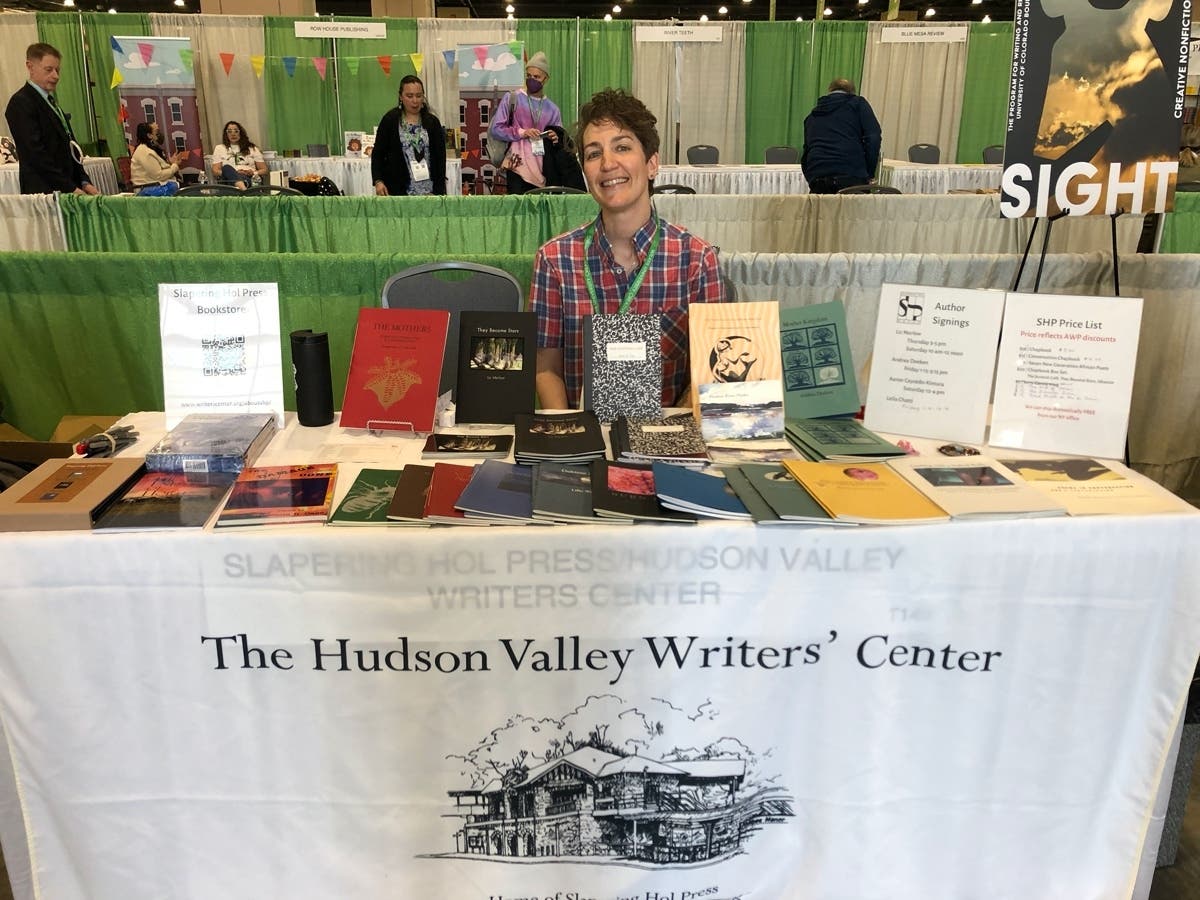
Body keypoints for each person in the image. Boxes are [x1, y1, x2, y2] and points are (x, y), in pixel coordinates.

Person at [530, 88, 726, 410]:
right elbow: (545, 368)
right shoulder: (554, 261)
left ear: (651, 164)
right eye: (594, 154)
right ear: (585, 172)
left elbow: (707, 375)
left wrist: (670, 433)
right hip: (584, 442)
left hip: (666, 444)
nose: (608, 163)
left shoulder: (697, 261)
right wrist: (570, 436)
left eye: (622, 147)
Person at [5, 43, 100, 195]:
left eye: (57, 70)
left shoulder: (51, 103)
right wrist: (70, 187)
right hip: (45, 193)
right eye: (49, 70)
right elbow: (36, 155)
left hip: (67, 188)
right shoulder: (21, 102)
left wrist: (84, 181)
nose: (55, 76)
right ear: (30, 67)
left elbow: (70, 146)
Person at [489, 51, 563, 194]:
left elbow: (560, 138)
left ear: (546, 79)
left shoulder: (552, 109)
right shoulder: (512, 98)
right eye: (528, 75)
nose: (531, 80)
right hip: (517, 167)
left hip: (543, 169)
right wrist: (522, 132)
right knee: (518, 210)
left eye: (536, 77)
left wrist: (555, 136)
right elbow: (496, 129)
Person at [801, 78, 882, 194]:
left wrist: (813, 179)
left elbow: (806, 155)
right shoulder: (857, 104)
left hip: (819, 180)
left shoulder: (812, 117)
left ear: (829, 92)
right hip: (851, 176)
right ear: (852, 93)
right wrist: (868, 173)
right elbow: (873, 137)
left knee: (823, 212)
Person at [372, 75, 447, 197]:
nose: (415, 101)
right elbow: (377, 154)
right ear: (401, 97)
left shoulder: (432, 122)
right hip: (398, 191)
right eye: (410, 96)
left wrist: (438, 191)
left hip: (429, 192)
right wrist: (378, 181)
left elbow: (440, 159)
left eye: (419, 96)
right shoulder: (390, 120)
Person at [130, 121, 185, 196]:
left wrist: (170, 163)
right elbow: (159, 175)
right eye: (157, 132)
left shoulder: (151, 149)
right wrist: (175, 166)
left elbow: (158, 168)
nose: (160, 134)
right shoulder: (145, 152)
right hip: (147, 190)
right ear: (149, 135)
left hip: (154, 185)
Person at [210, 120, 267, 190]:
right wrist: (233, 173)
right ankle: (243, 189)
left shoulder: (252, 148)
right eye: (229, 131)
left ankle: (241, 187)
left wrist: (253, 172)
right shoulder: (219, 148)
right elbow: (215, 170)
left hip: (249, 177)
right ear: (226, 134)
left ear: (241, 133)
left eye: (236, 131)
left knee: (240, 178)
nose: (233, 134)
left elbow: (264, 169)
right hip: (228, 180)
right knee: (226, 168)